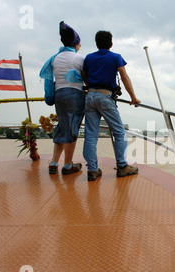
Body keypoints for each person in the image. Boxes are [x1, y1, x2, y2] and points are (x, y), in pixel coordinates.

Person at [82, 30, 141, 181]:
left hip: (90, 96)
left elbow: (84, 74)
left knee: (90, 135)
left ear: (96, 44)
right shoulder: (115, 57)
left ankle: (92, 170)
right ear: (111, 44)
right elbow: (124, 76)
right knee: (119, 132)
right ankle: (122, 166)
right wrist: (133, 98)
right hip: (105, 97)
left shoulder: (89, 57)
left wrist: (90, 84)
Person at [39, 21, 85, 175]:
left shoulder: (55, 58)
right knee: (72, 129)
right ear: (76, 43)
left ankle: (54, 163)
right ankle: (67, 165)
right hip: (75, 96)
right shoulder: (79, 59)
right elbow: (87, 79)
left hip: (59, 95)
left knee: (62, 127)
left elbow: (48, 81)